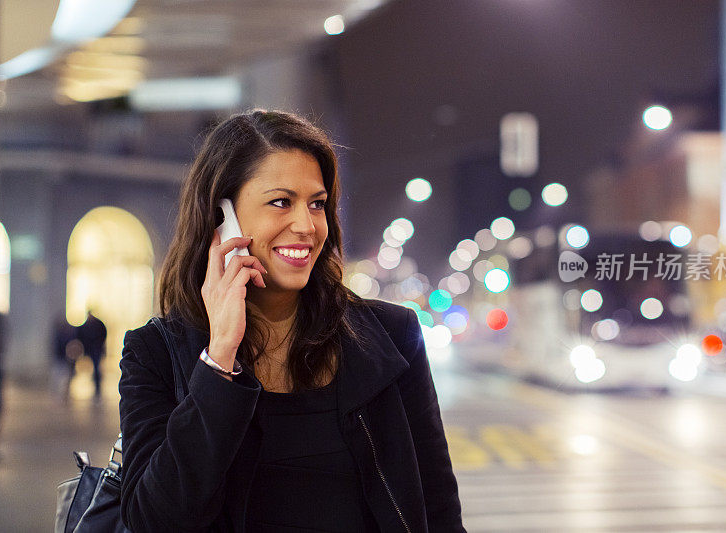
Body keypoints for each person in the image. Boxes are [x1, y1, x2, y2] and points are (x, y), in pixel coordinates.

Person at [118, 110, 465, 532]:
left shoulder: (393, 338)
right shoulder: (155, 353)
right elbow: (152, 520)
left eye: (316, 204)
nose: (306, 225)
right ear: (222, 218)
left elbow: (439, 510)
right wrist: (219, 357)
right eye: (281, 202)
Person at [78, 309, 107, 398]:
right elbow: (80, 336)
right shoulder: (86, 325)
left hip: (96, 350)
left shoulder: (98, 324)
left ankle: (97, 387)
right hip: (90, 350)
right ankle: (95, 385)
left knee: (97, 368)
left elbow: (103, 335)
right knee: (93, 368)